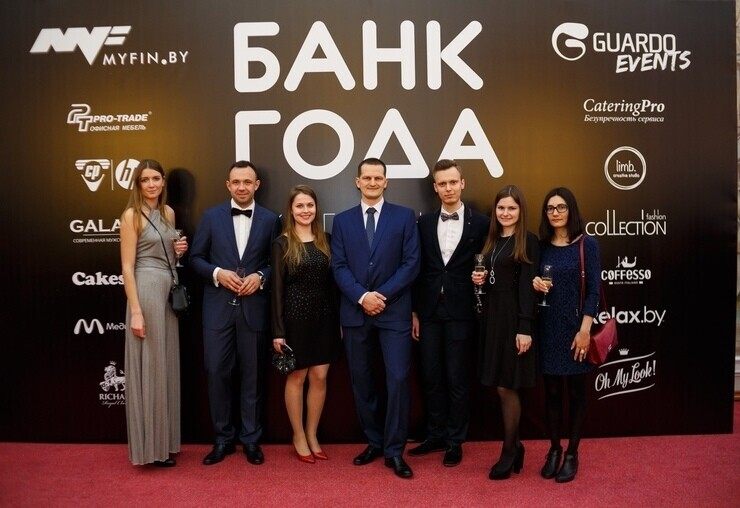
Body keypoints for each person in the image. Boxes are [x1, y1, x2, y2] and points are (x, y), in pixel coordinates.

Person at [331, 157, 420, 479]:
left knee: (397, 380)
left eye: (377, 178)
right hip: (355, 314)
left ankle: (395, 451)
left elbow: (411, 263)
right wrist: (362, 297)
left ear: (386, 181)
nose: (372, 182)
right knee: (362, 381)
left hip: (393, 313)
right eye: (366, 178)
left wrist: (380, 295)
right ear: (357, 182)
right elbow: (339, 266)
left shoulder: (405, 217)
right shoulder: (342, 221)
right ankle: (374, 442)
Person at [190, 160, 280, 466]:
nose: (242, 187)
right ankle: (223, 439)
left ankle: (251, 440)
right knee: (217, 374)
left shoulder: (271, 219)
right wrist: (217, 273)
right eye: (236, 182)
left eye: (247, 182)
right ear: (228, 185)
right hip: (217, 312)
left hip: (254, 311)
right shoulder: (211, 217)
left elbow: (277, 262)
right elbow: (196, 258)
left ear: (257, 185)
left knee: (253, 377)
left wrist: (261, 276)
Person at [409, 160, 488, 467]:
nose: (448, 188)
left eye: (453, 182)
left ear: (462, 183)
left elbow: (490, 262)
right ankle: (435, 435)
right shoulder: (424, 223)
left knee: (457, 377)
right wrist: (415, 311)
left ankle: (456, 441)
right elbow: (418, 270)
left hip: (462, 310)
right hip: (428, 311)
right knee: (430, 376)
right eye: (442, 183)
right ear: (435, 188)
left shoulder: (481, 223)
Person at [120, 159, 188, 466]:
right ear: (138, 184)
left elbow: (169, 258)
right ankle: (148, 449)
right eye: (145, 179)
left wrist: (178, 252)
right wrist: (136, 311)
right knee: (150, 365)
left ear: (163, 182)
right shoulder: (131, 216)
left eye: (156, 178)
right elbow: (127, 267)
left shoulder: (168, 212)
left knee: (165, 365)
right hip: (145, 291)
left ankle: (165, 444)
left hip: (167, 292)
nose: (151, 184)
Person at [532, 187, 601, 483]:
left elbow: (594, 291)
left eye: (561, 207)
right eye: (550, 208)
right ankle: (554, 449)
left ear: (571, 210)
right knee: (551, 394)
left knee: (576, 394)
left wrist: (585, 331)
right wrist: (535, 282)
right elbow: (530, 281)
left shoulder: (587, 244)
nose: (555, 213)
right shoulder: (541, 246)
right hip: (547, 329)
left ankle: (572, 453)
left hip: (575, 331)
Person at [471, 185, 539, 480]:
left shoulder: (528, 241)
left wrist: (524, 327)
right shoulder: (491, 240)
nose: (506, 213)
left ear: (520, 211)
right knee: (500, 384)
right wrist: (479, 279)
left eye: (512, 208)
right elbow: (489, 280)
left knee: (506, 385)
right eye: (501, 208)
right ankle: (516, 446)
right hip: (492, 319)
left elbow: (527, 287)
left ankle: (510, 450)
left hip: (514, 319)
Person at [271, 185, 342, 464]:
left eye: (309, 205)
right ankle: (298, 435)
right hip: (294, 321)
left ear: (316, 208)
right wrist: (278, 331)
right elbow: (276, 291)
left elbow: (334, 285)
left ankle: (312, 434)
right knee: (297, 378)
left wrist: (339, 321)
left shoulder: (327, 240)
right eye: (299, 206)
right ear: (291, 210)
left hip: (325, 319)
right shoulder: (282, 243)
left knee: (320, 377)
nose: (305, 210)